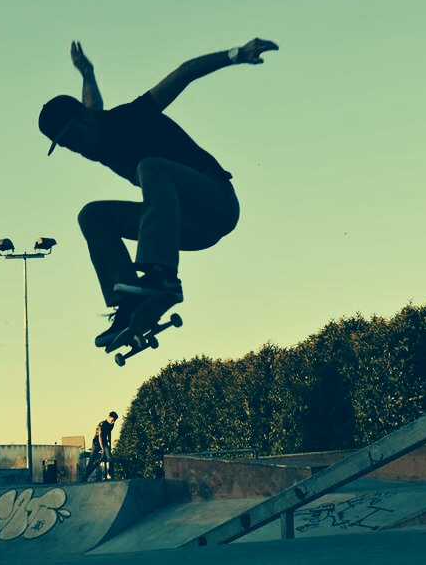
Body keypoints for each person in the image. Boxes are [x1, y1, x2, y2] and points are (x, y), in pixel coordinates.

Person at [38, 38, 279, 348]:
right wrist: (87, 73)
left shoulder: (133, 116)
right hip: (180, 227)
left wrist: (236, 55)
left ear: (86, 121)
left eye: (75, 138)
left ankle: (161, 276)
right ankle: (128, 305)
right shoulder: (95, 140)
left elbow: (184, 74)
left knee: (150, 167)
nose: (77, 149)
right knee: (93, 216)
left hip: (216, 204)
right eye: (69, 147)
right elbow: (91, 104)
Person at [82, 411, 118, 482]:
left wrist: (109, 444)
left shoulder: (112, 424)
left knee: (109, 458)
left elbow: (109, 434)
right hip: (96, 443)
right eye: (113, 420)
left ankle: (110, 475)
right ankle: (85, 477)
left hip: (104, 442)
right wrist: (102, 448)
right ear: (109, 417)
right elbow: (100, 437)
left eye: (115, 421)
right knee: (92, 460)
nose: (113, 422)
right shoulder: (102, 424)